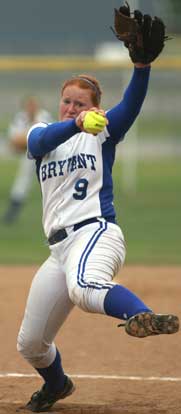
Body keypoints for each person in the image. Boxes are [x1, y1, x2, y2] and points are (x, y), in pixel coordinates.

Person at [17, 14, 179, 414]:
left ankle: (141, 316)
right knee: (31, 343)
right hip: (58, 250)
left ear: (96, 108)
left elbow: (132, 106)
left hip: (95, 232)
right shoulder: (44, 134)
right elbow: (43, 137)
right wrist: (75, 122)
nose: (72, 105)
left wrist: (141, 68)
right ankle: (57, 385)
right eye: (67, 100)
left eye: (81, 102)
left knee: (85, 286)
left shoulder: (103, 132)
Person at [2, 96, 52, 224]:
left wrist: (26, 139)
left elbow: (46, 138)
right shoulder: (21, 117)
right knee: (23, 179)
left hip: (46, 155)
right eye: (29, 105)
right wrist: (28, 139)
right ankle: (13, 210)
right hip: (29, 154)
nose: (31, 108)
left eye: (33, 105)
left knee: (48, 182)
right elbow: (14, 140)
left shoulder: (43, 116)